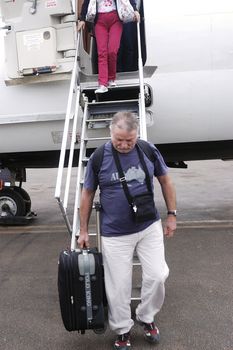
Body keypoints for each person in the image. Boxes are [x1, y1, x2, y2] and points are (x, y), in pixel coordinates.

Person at [78, 111, 177, 350]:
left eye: (129, 140)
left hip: (148, 226)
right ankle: (122, 330)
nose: (124, 145)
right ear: (110, 133)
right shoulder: (99, 157)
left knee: (157, 275)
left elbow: (166, 181)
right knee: (118, 286)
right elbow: (88, 193)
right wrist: (83, 230)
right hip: (115, 233)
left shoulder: (147, 150)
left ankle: (146, 316)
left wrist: (172, 215)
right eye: (118, 140)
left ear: (137, 135)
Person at [77, 0, 140, 94]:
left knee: (112, 50)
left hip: (115, 19)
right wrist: (82, 19)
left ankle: (111, 78)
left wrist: (135, 10)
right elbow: (86, 2)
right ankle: (102, 84)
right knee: (102, 53)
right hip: (99, 21)